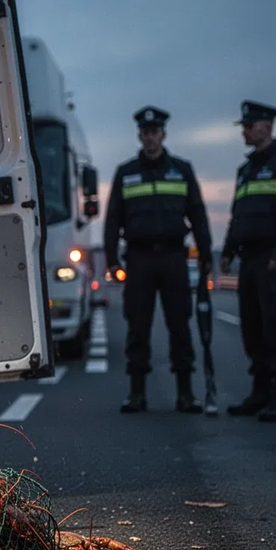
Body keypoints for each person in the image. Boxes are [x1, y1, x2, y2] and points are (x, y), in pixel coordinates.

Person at [104, 106, 214, 414]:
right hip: (139, 260)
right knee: (137, 327)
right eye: (145, 133)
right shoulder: (126, 173)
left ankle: (186, 393)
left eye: (155, 133)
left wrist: (206, 255)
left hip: (174, 258)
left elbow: (198, 215)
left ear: (163, 135)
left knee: (180, 325)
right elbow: (113, 219)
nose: (150, 138)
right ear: (140, 136)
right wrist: (112, 260)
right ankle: (136, 394)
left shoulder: (182, 169)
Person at [219, 100, 276, 422]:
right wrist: (229, 251)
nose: (244, 131)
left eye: (249, 125)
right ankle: (260, 393)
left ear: (267, 127)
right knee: (253, 330)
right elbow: (238, 216)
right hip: (249, 261)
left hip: (274, 261)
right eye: (243, 126)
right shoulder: (245, 171)